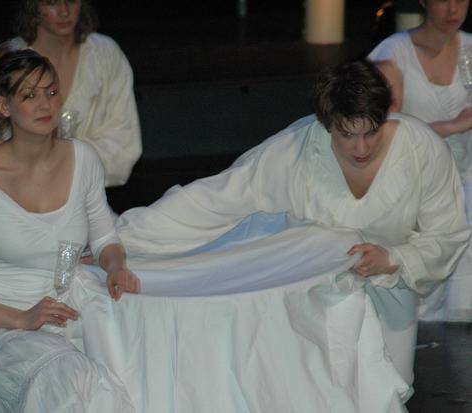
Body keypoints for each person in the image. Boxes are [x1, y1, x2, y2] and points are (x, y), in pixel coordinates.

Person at [114, 59, 469, 409]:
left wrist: (393, 259)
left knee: (390, 389)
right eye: (347, 135)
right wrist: (116, 241)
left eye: (371, 132)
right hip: (315, 300)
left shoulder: (421, 150)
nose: (361, 148)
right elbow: (214, 199)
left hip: (393, 286)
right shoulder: (294, 152)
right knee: (323, 393)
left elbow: (448, 234)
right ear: (327, 124)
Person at [0, 49, 140, 412]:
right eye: (29, 95)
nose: (45, 104)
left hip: (72, 310)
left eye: (51, 92)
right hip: (2, 331)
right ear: (4, 106)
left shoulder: (83, 158)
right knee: (67, 382)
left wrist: (116, 266)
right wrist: (21, 319)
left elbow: (104, 237)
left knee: (135, 365)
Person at [0, 0, 141, 192]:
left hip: (80, 193)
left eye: (71, 1)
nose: (64, 11)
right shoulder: (7, 60)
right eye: (51, 2)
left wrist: (61, 163)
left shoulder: (104, 54)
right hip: (11, 194)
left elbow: (122, 143)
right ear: (32, 6)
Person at [368, 0, 472, 321]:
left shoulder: (469, 49)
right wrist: (452, 126)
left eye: (461, 0)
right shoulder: (393, 54)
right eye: (443, 0)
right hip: (414, 179)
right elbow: (379, 131)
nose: (453, 10)